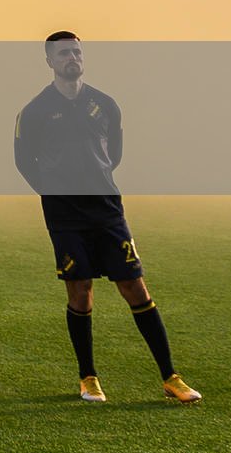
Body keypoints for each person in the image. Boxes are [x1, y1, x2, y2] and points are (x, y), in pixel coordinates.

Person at [15, 32, 199, 403]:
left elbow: (113, 152)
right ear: (49, 61)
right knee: (80, 290)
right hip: (65, 215)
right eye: (64, 53)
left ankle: (171, 377)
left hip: (107, 210)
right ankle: (88, 378)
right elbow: (24, 161)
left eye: (77, 51)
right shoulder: (34, 110)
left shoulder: (105, 104)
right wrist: (55, 190)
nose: (73, 57)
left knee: (135, 287)